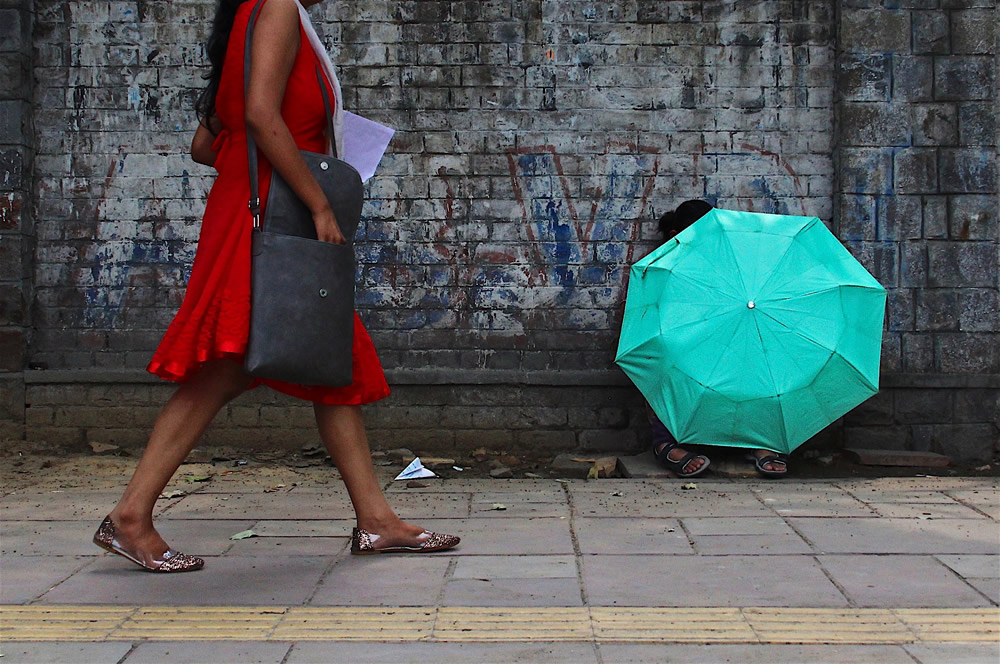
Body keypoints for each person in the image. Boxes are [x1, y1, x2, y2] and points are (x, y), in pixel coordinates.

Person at [92, 0, 458, 572]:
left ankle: (376, 520)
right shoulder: (280, 9)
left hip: (252, 209)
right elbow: (263, 115)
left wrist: (261, 167)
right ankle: (130, 516)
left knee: (327, 356)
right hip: (271, 220)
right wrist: (317, 203)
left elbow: (207, 144)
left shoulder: (250, 18)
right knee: (237, 362)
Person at [646, 200, 788, 479]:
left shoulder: (729, 260)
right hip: (680, 343)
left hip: (726, 341)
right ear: (676, 233)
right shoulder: (660, 266)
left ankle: (760, 442)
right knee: (665, 370)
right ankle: (665, 444)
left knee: (756, 367)